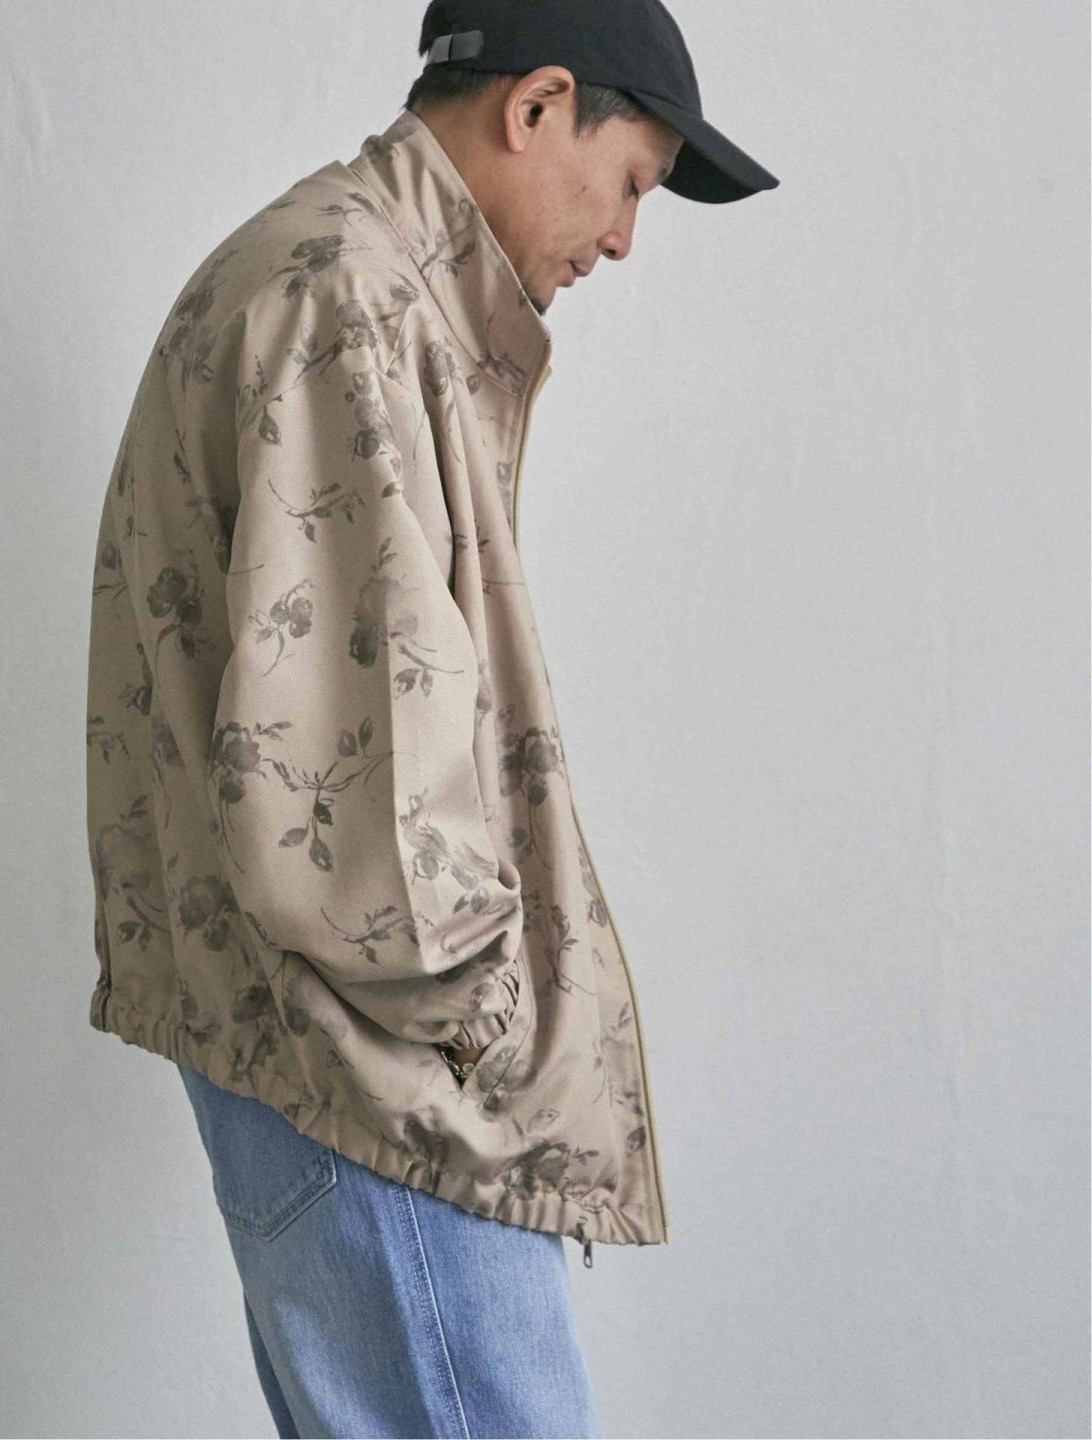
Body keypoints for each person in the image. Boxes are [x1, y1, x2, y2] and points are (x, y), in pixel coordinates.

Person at [83, 2, 778, 1434]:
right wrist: (492, 1032)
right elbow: (350, 783)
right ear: (536, 107)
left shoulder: (349, 278)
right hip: (383, 1081)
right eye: (632, 183)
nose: (625, 240)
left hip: (337, 1063)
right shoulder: (350, 298)